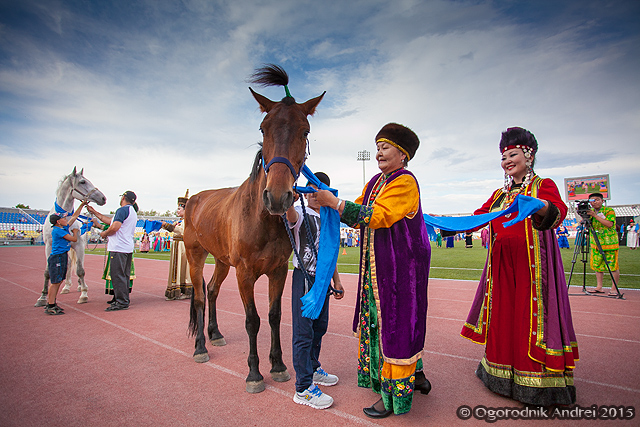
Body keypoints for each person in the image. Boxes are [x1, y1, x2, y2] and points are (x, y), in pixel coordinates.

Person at [315, 123, 431, 418]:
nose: (379, 152)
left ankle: (393, 396)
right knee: (391, 321)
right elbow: (357, 216)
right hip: (379, 268)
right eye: (378, 146)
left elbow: (376, 216)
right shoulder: (376, 183)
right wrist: (328, 206)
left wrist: (337, 204)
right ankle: (413, 375)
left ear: (403, 154)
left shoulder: (404, 182)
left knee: (395, 324)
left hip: (399, 269)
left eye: (385, 147)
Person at [460, 127, 579, 407]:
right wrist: (447, 225)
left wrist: (537, 205)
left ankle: (536, 383)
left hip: (532, 269)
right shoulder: (500, 195)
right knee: (503, 316)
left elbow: (557, 212)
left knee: (530, 318)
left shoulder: (543, 185)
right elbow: (478, 217)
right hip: (502, 268)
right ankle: (500, 375)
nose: (506, 162)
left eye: (512, 155)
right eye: (503, 158)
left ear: (529, 154)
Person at [285, 172, 344, 410]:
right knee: (303, 332)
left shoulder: (329, 218)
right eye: (309, 190)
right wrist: (290, 192)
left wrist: (337, 282)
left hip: (323, 281)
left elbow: (329, 256)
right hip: (305, 278)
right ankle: (303, 387)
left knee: (320, 327)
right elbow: (288, 213)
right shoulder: (300, 213)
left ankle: (313, 366)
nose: (314, 196)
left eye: (318, 191)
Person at [87, 191, 138, 311]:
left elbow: (114, 226)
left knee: (117, 275)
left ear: (123, 198)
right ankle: (123, 299)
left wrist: (104, 233)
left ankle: (121, 302)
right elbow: (110, 221)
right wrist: (95, 212)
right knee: (124, 276)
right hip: (126, 248)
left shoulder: (122, 210)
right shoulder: (131, 211)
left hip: (118, 248)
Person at [44, 201, 88, 315]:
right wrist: (75, 232)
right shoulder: (58, 231)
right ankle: (50, 304)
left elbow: (74, 216)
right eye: (63, 219)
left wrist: (82, 205)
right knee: (55, 282)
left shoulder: (62, 227)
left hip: (62, 255)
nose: (66, 220)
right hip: (57, 257)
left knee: (59, 281)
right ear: (58, 222)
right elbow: (74, 239)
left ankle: (53, 303)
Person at [587, 193, 621, 295]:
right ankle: (599, 287)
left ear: (602, 201)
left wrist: (595, 216)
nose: (595, 202)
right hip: (596, 243)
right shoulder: (590, 212)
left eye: (597, 200)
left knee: (612, 266)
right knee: (597, 266)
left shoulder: (609, 211)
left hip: (609, 243)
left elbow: (609, 224)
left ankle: (614, 288)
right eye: (592, 201)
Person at [161, 190, 193, 300]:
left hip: (182, 247)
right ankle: (177, 290)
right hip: (177, 246)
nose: (177, 211)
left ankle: (185, 290)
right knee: (177, 268)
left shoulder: (187, 221)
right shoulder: (179, 221)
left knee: (182, 267)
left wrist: (167, 226)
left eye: (179, 209)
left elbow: (181, 231)